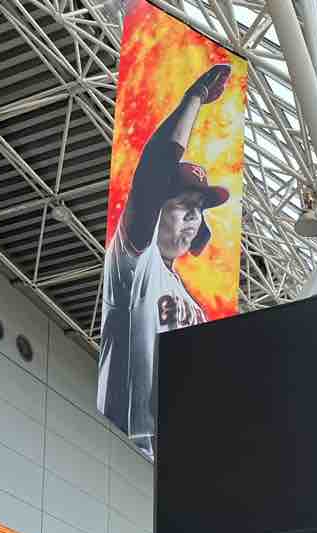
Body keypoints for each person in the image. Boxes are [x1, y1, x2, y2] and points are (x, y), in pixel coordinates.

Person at [97, 63, 231, 453]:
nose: (194, 217)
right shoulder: (135, 263)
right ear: (157, 209)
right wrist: (194, 100)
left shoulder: (195, 306)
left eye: (199, 209)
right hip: (126, 443)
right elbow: (152, 175)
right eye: (183, 205)